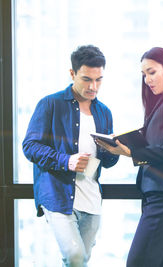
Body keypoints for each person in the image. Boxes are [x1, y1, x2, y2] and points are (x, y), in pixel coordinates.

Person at [96, 47, 163, 267]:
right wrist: (122, 143)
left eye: (152, 72)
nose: (147, 80)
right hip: (157, 192)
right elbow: (157, 142)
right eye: (144, 75)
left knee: (138, 262)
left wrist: (131, 152)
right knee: (161, 262)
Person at [22, 45, 119, 267]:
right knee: (75, 257)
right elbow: (30, 146)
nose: (93, 86)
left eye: (99, 80)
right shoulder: (50, 104)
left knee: (80, 262)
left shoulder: (104, 112)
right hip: (58, 197)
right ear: (72, 74)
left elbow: (108, 162)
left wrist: (115, 150)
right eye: (86, 79)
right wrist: (67, 161)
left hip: (92, 200)